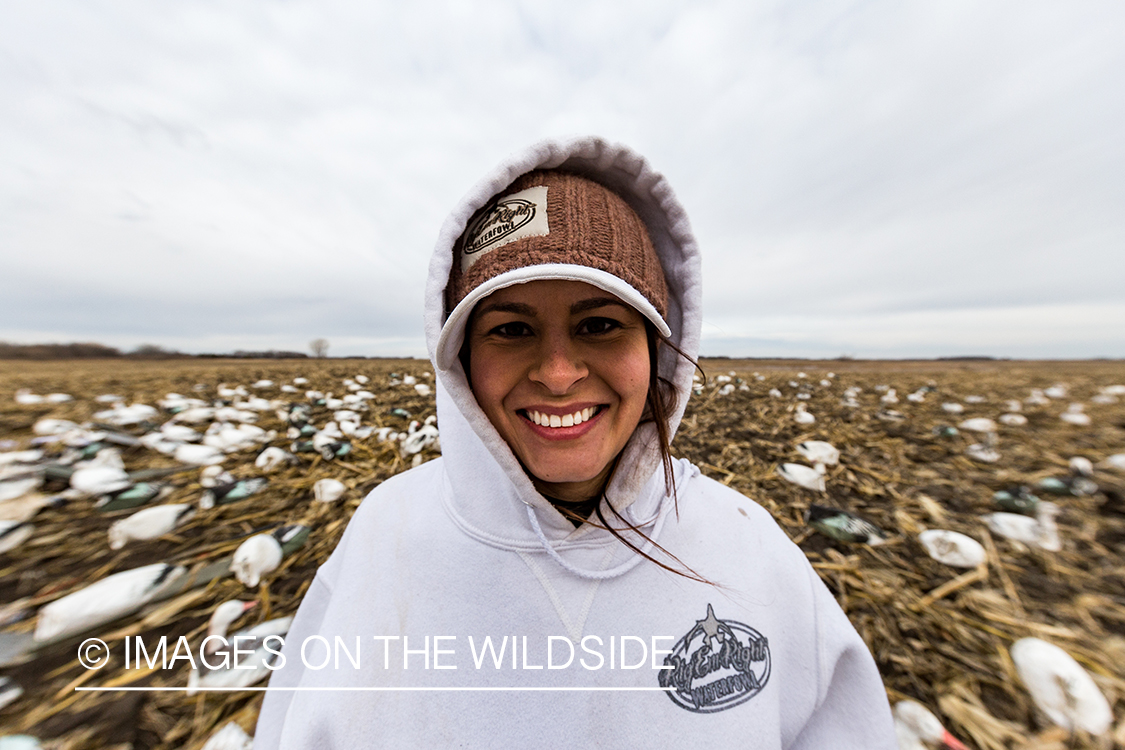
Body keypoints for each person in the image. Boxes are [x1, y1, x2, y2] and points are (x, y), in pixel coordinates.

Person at [254, 136, 898, 748]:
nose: (558, 374)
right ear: (459, 359)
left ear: (659, 350)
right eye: (510, 330)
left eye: (599, 325)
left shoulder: (747, 550)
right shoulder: (387, 535)